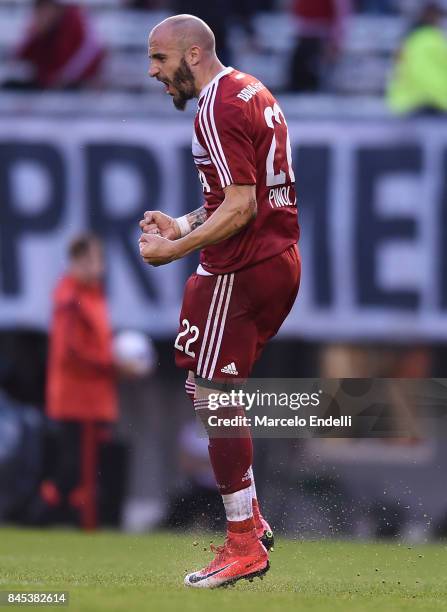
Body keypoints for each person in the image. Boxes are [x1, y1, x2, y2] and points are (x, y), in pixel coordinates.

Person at [139, 14, 301, 588]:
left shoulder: (218, 106)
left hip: (243, 265)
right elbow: (232, 195)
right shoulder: (250, 89)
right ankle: (249, 522)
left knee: (214, 395)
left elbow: (241, 208)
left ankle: (242, 541)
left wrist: (176, 246)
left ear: (194, 54)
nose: (154, 71)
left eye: (160, 59)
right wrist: (180, 219)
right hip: (273, 261)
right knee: (205, 389)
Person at [45, 235, 135, 529]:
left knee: (86, 466)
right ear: (76, 262)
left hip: (94, 397)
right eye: (92, 260)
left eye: (100, 260)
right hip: (79, 398)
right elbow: (72, 351)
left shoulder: (93, 294)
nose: (98, 266)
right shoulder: (71, 299)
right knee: (78, 469)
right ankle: (48, 516)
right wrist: (114, 366)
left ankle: (65, 517)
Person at [6, 0, 105, 90]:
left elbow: (87, 57)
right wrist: (33, 34)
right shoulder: (41, 29)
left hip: (76, 85)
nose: (42, 14)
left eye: (45, 9)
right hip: (49, 84)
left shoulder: (74, 21)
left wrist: (58, 78)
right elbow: (20, 57)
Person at [387, 2, 447, 115]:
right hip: (425, 104)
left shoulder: (409, 39)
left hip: (407, 104)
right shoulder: (428, 40)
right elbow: (426, 77)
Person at [288, 0, 351, 92]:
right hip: (302, 38)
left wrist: (335, 41)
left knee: (316, 79)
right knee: (297, 80)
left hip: (323, 39)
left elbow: (341, 15)